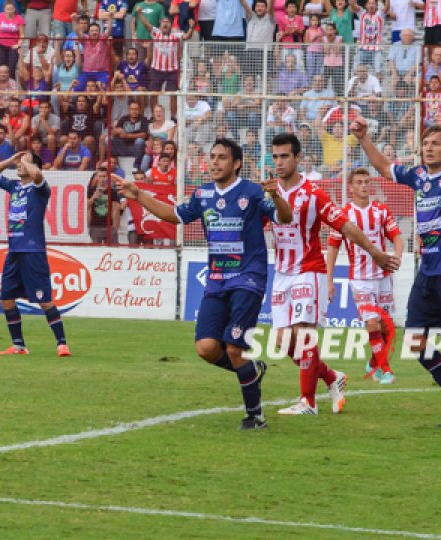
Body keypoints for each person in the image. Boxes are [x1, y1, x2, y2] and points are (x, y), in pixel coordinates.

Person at [117, 138, 291, 430]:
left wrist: (276, 196)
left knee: (235, 349)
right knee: (207, 348)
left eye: (221, 157)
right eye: (212, 157)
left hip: (248, 279)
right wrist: (138, 195)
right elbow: (172, 216)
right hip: (216, 281)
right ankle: (251, 370)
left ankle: (255, 415)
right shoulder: (203, 193)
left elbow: (284, 218)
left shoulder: (252, 191)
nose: (214, 162)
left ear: (236, 163)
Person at [354, 111, 441, 428]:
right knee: (414, 340)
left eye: (437, 144)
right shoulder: (419, 177)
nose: (429, 148)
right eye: (426, 143)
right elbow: (385, 168)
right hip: (427, 273)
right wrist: (363, 139)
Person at [267, 133, 397, 415]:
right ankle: (330, 376)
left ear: (298, 158)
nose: (279, 162)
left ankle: (308, 402)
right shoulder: (269, 192)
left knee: (304, 335)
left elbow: (346, 227)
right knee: (282, 340)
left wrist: (375, 251)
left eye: (285, 156)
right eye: (275, 156)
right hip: (280, 274)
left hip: (309, 271)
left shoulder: (313, 194)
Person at [0, 151, 70, 357]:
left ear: (34, 166)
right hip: (14, 251)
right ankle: (19, 346)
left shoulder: (40, 189)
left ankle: (62, 344)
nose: (19, 166)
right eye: (20, 163)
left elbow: (38, 176)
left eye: (25, 163)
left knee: (44, 300)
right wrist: (10, 160)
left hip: (33, 251)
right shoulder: (14, 186)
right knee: (6, 299)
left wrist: (26, 161)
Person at [326, 168, 404, 385]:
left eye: (367, 182)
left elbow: (396, 236)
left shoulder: (380, 211)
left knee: (387, 329)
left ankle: (373, 362)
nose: (364, 186)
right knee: (372, 323)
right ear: (350, 187)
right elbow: (332, 248)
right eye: (359, 182)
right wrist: (329, 280)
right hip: (360, 279)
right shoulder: (343, 216)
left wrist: (396, 256)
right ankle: (385, 370)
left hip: (383, 276)